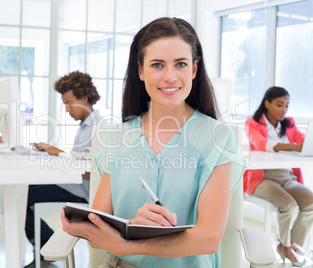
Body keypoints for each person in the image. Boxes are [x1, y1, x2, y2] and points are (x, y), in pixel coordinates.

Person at [60, 17, 244, 267]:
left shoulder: (218, 138)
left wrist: (126, 243)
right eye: (157, 65)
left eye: (180, 64)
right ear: (141, 71)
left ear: (194, 69)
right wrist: (133, 226)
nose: (170, 76)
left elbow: (209, 238)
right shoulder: (117, 138)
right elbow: (96, 231)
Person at [24, 71, 102, 268]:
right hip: (71, 184)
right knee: (24, 188)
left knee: (22, 197)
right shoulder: (85, 126)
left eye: (69, 103)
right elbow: (78, 160)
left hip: (81, 192)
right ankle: (45, 245)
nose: (67, 109)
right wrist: (54, 154)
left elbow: (93, 169)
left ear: (84, 98)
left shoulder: (99, 128)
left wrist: (57, 152)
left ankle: (46, 245)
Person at [243, 86, 313, 267]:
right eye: (280, 105)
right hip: (262, 177)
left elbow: (303, 140)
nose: (284, 110)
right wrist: (293, 146)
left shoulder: (289, 123)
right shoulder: (252, 123)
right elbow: (261, 143)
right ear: (267, 103)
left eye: (287, 106)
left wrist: (304, 144)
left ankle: (287, 245)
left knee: (310, 202)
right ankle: (288, 247)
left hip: (286, 176)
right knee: (288, 205)